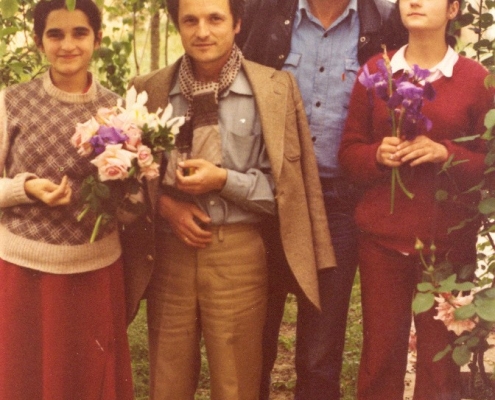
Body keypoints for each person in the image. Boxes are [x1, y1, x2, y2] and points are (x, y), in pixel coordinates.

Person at [124, 0, 335, 398]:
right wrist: (167, 208)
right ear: (178, 27)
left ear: (237, 23)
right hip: (169, 254)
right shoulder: (149, 91)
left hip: (238, 253)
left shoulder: (274, 88)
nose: (202, 31)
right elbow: (127, 180)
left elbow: (288, 192)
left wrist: (223, 180)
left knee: (237, 382)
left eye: (215, 19)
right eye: (190, 20)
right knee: (167, 380)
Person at [236, 0, 407, 398]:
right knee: (254, 341)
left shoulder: (384, 23)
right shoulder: (264, 11)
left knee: (320, 352)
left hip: (338, 205)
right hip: (267, 200)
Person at [338, 0, 493, 398]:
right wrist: (376, 154)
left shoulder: (476, 80)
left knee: (440, 367)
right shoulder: (376, 71)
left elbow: (490, 168)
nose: (414, 1)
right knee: (380, 357)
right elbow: (348, 154)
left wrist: (447, 154)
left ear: (454, 9)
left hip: (447, 245)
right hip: (382, 242)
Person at [0, 0, 134, 399]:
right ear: (40, 43)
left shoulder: (119, 111)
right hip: (24, 270)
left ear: (98, 39)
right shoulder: (12, 102)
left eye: (79, 33)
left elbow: (132, 202)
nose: (67, 45)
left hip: (94, 270)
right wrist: (25, 189)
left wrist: (128, 186)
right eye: (55, 34)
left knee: (85, 381)